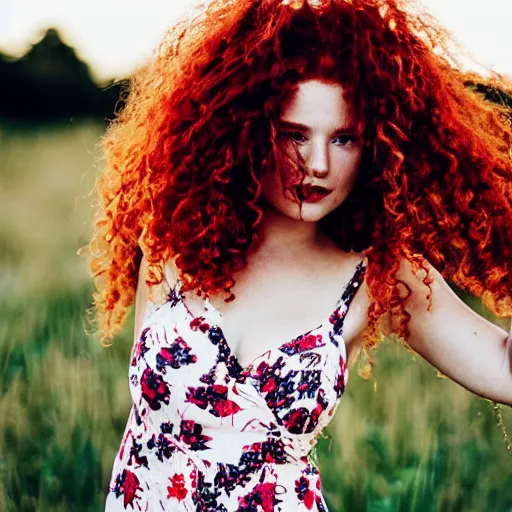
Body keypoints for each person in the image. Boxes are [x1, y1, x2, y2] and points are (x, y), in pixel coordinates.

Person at [83, 0, 512, 509]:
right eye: (294, 135)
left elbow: (502, 365)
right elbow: (143, 427)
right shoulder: (170, 241)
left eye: (345, 138)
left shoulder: (380, 274)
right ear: (245, 129)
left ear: (374, 146)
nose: (319, 164)